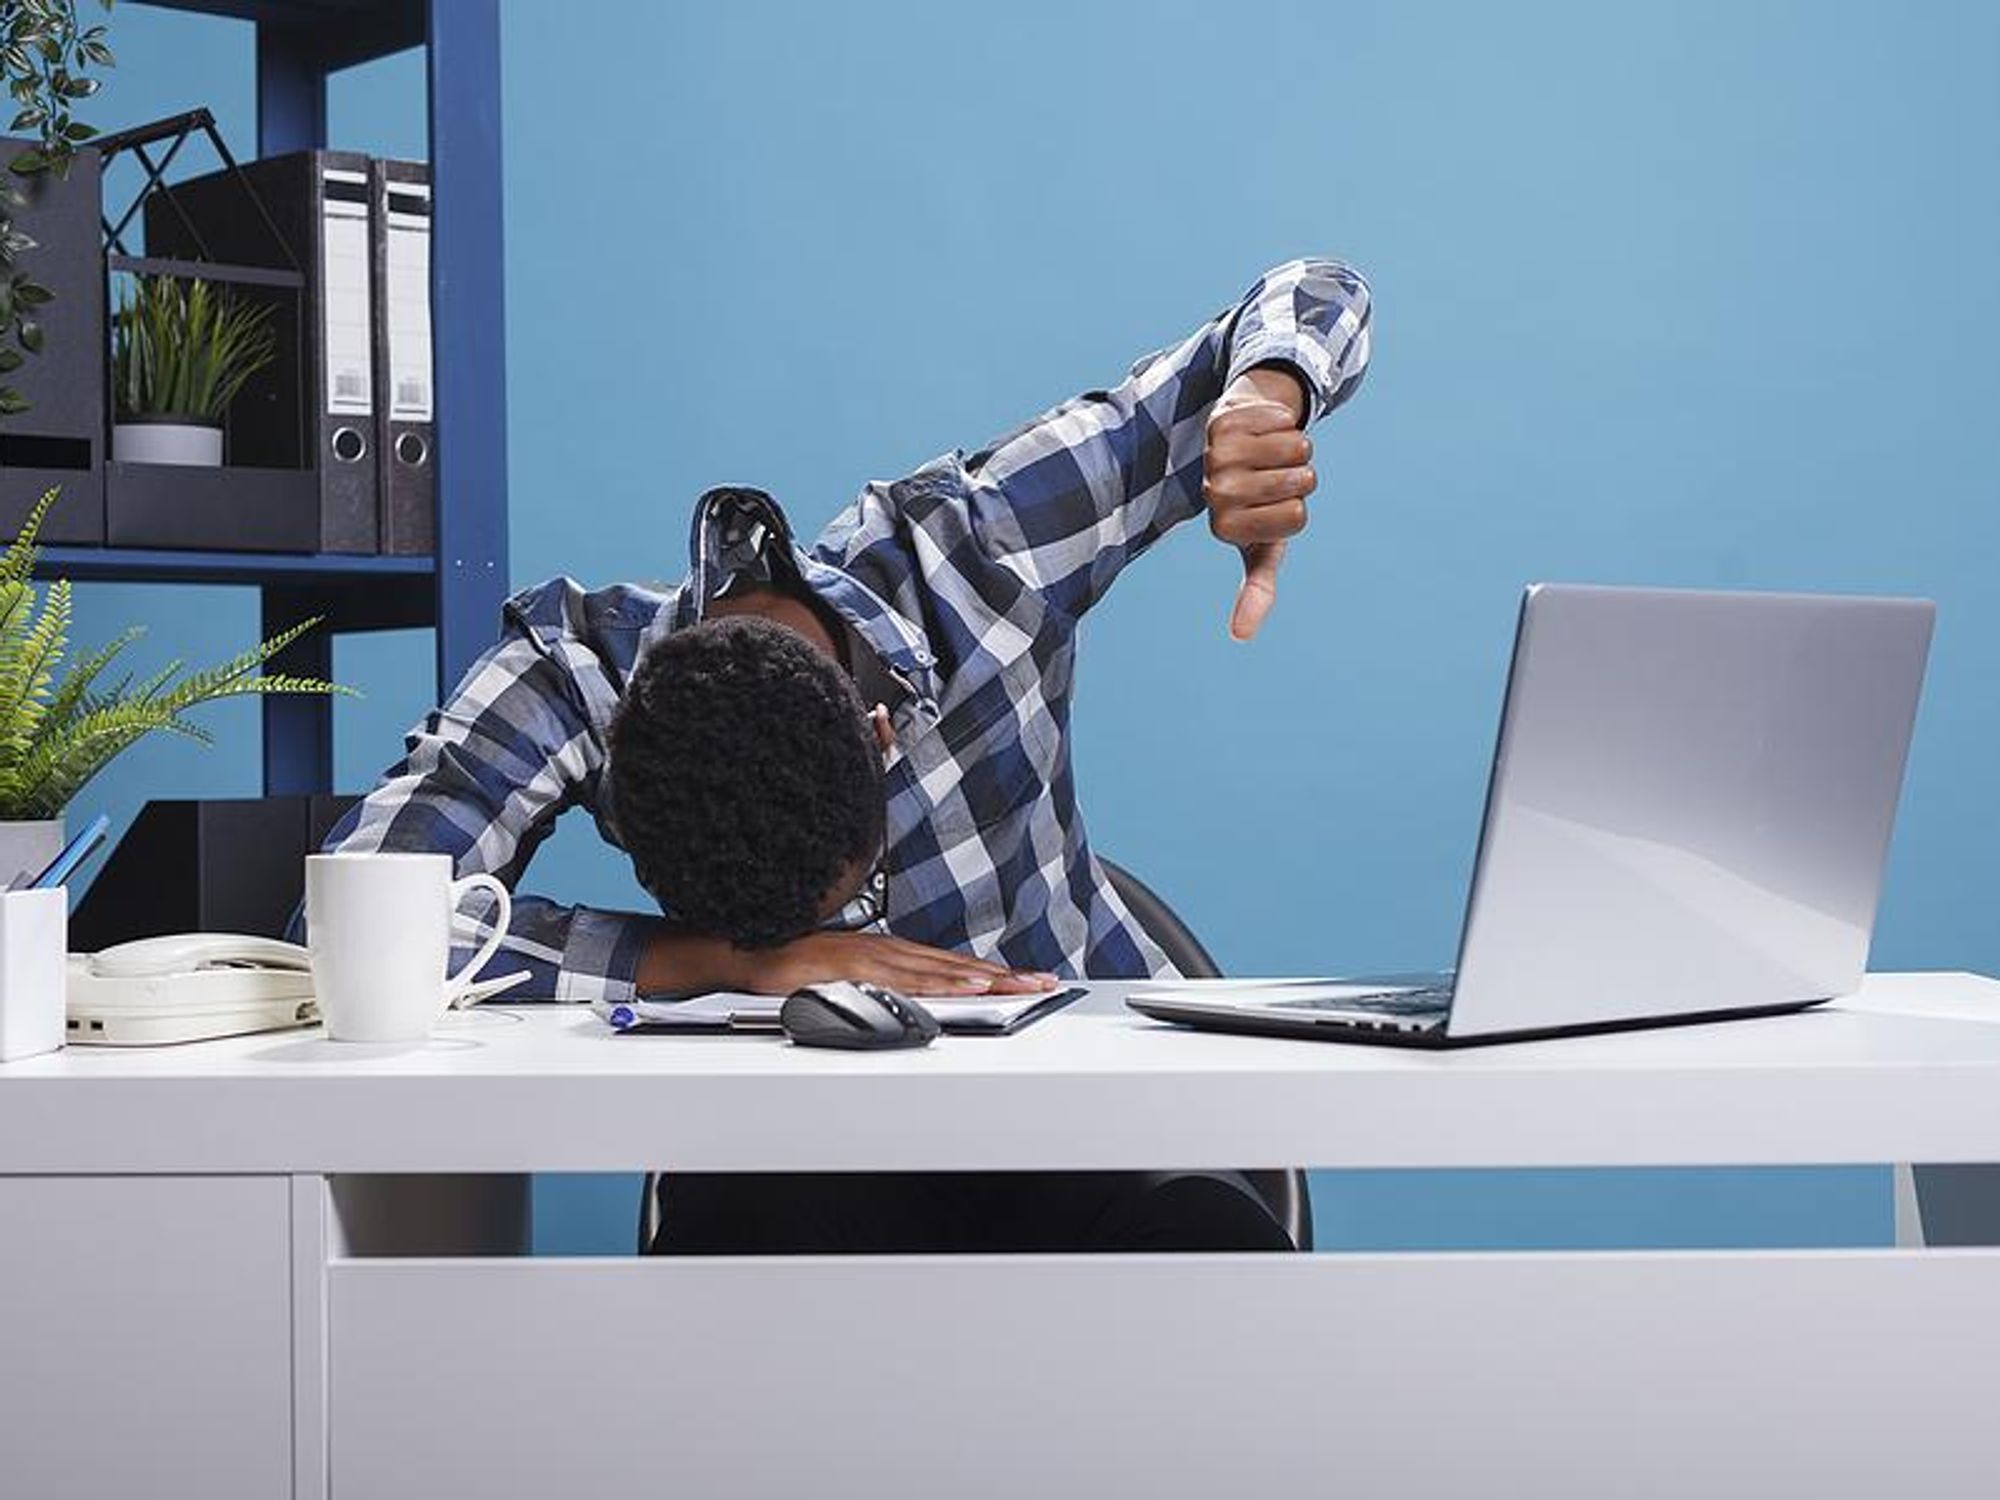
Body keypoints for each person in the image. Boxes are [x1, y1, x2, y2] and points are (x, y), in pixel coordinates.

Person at [323, 257, 1372, 1253]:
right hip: (796, 1145)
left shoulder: (977, 548)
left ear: (881, 736)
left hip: (1079, 1110)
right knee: (724, 1284)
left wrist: (1264, 395)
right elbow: (356, 928)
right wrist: (718, 964)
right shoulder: (572, 673)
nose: (833, 935)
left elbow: (1310, 288)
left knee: (1208, 1262)